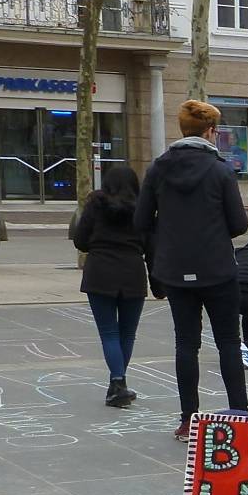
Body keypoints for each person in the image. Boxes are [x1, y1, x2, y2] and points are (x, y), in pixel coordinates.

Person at [136, 98, 248, 440]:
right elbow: (239, 224)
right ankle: (239, 413)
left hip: (174, 268)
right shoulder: (220, 170)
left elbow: (141, 221)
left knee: (186, 343)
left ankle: (188, 419)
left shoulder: (158, 168)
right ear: (211, 131)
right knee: (229, 341)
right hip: (216, 267)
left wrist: (169, 237)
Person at [71, 162, 148, 408]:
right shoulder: (142, 208)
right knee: (127, 333)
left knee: (109, 332)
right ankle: (118, 384)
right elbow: (151, 243)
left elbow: (81, 240)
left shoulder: (96, 204)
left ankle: (118, 382)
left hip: (100, 271)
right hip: (133, 271)